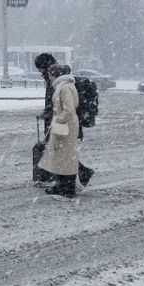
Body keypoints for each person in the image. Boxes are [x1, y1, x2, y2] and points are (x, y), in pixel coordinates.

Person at [34, 53, 94, 190]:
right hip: (58, 120)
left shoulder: (59, 82)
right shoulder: (55, 79)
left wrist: (53, 117)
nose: (39, 71)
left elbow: (60, 104)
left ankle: (71, 179)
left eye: (39, 67)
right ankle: (66, 179)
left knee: (62, 152)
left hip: (61, 122)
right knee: (62, 152)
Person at [37, 62, 82, 200]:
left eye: (50, 74)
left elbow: (69, 109)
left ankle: (67, 189)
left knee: (66, 157)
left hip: (66, 126)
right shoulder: (62, 86)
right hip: (64, 125)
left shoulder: (65, 87)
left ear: (55, 75)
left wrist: (58, 120)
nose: (48, 77)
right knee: (60, 156)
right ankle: (62, 185)